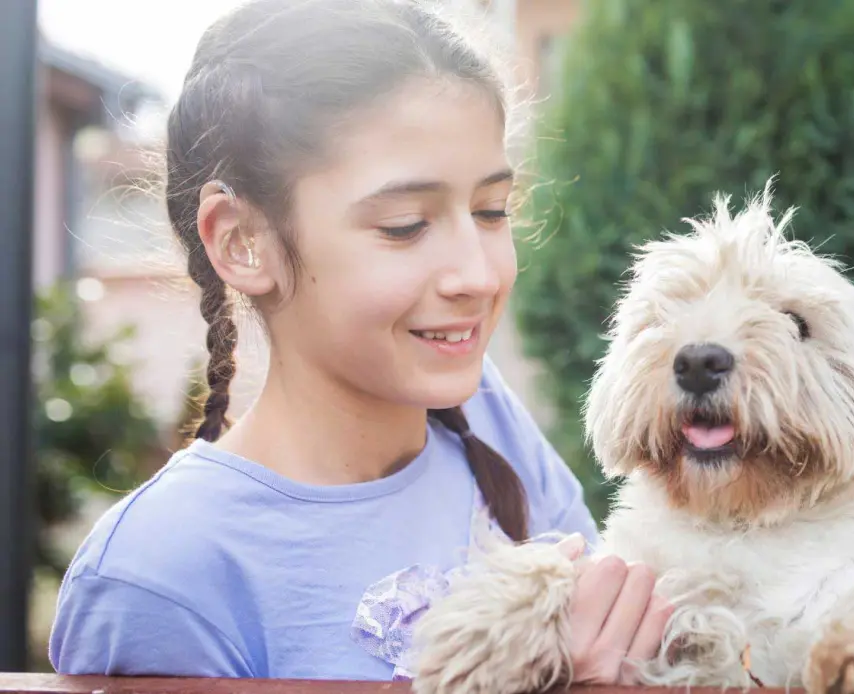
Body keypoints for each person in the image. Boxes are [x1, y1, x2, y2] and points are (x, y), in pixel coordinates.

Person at [48, 0, 672, 683]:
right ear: (241, 240)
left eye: (492, 211)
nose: (479, 274)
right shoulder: (160, 575)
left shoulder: (490, 421)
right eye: (405, 225)